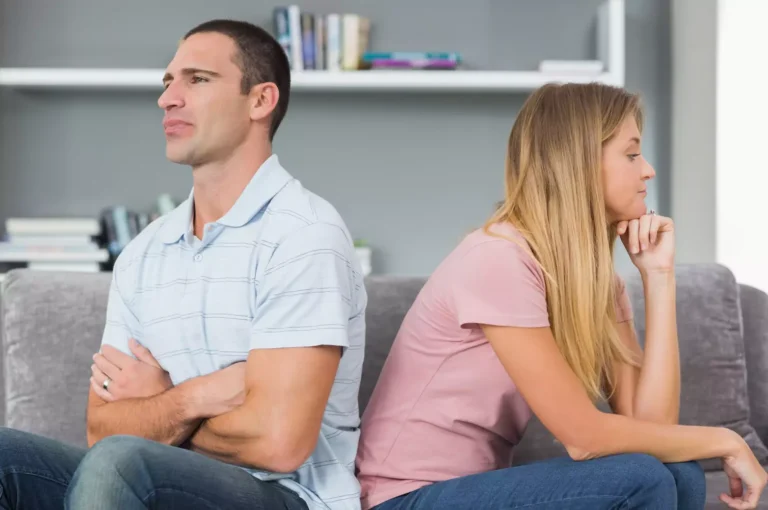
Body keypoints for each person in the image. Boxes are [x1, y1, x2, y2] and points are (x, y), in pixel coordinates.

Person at [0, 19, 366, 510]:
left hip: (287, 497)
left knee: (122, 463)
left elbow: (280, 442)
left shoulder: (303, 234)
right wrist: (190, 398)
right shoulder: (144, 252)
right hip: (147, 479)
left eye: (196, 79)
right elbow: (101, 426)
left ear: (260, 100)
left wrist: (155, 411)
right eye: (167, 82)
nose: (168, 98)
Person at [355, 82, 768, 510]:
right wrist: (725, 439)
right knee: (641, 477)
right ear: (580, 163)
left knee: (677, 469)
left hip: (475, 490)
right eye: (631, 154)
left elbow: (650, 428)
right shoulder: (497, 258)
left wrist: (659, 277)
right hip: (404, 498)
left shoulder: (591, 281)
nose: (648, 169)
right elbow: (584, 439)